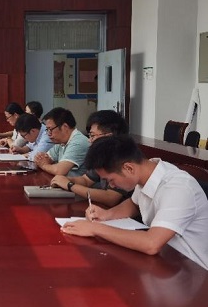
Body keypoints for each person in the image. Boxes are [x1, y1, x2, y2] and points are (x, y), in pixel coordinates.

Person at [61, 135, 208, 270]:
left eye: (111, 180)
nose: (111, 185)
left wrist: (95, 229)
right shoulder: (147, 172)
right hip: (165, 261)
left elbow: (151, 244)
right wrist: (106, 214)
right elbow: (133, 204)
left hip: (192, 270)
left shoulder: (178, 188)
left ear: (128, 168)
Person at [50, 110, 131, 207]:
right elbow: (86, 180)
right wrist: (65, 180)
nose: (89, 140)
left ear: (108, 136)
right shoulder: (102, 155)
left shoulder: (124, 158)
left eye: (92, 136)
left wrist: (70, 185)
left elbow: (111, 198)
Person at [34, 107, 89, 177]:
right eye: (47, 130)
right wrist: (42, 161)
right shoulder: (60, 142)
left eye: (50, 129)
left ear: (65, 127)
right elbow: (45, 159)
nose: (48, 134)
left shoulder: (79, 142)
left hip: (76, 183)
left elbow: (59, 171)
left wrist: (44, 165)